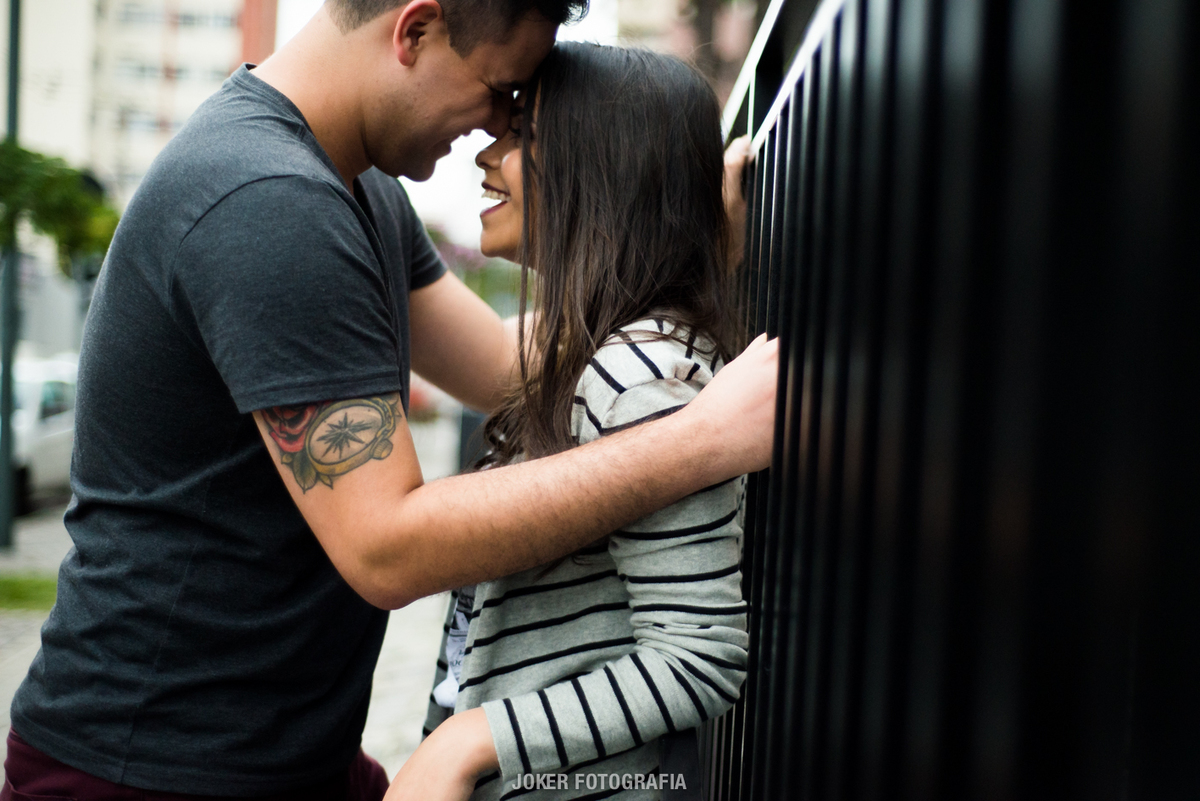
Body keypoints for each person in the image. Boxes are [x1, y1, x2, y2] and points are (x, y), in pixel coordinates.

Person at [2, 1, 777, 799]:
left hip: (282, 756)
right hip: (150, 765)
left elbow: (498, 364)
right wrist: (703, 439)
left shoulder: (357, 188)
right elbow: (387, 546)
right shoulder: (266, 199)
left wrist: (680, 242)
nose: (495, 128)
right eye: (499, 87)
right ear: (414, 31)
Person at [389, 43, 748, 801]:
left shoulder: (639, 373)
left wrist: (467, 744)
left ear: (601, 164)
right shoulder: (601, 355)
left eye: (519, 133)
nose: (485, 155)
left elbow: (699, 654)